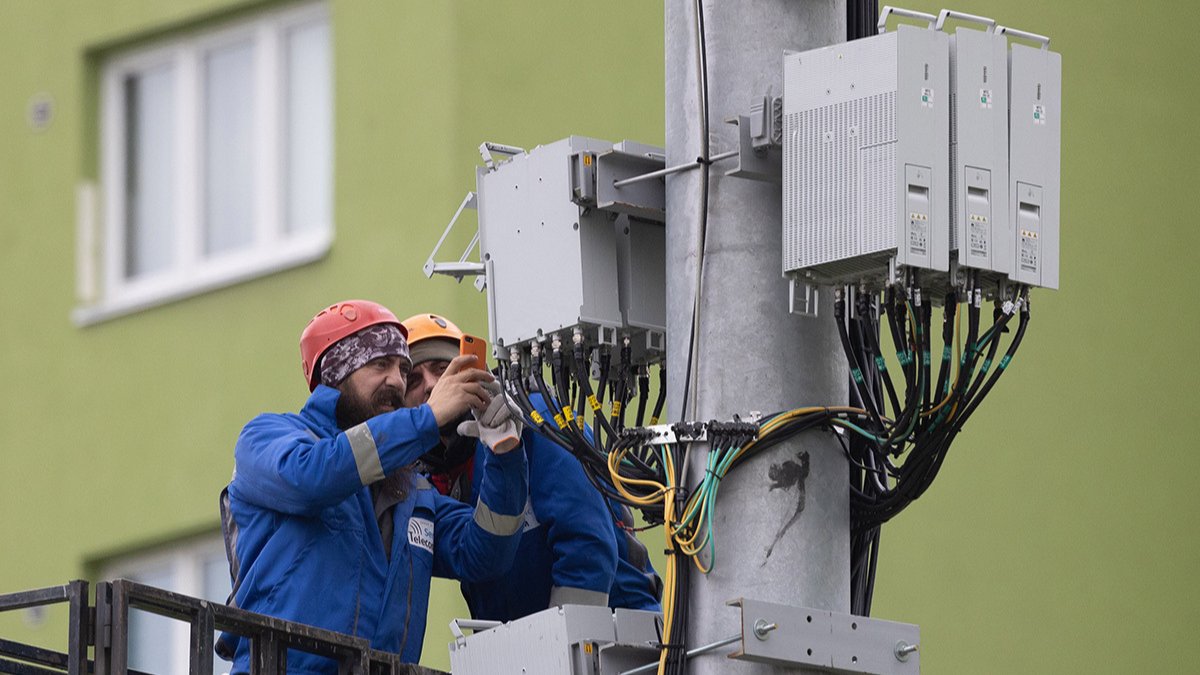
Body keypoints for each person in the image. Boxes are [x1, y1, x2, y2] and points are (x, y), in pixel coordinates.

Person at [218, 300, 529, 673]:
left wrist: (504, 453)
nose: (397, 382)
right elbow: (312, 478)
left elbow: (486, 554)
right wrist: (426, 418)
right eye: (380, 364)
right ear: (335, 373)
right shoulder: (268, 436)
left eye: (402, 369)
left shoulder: (414, 491)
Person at [401, 313, 661, 622]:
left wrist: (565, 643)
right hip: (528, 652)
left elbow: (587, 542)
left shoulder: (534, 420)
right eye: (413, 381)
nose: (430, 385)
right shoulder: (426, 483)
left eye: (441, 369)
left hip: (615, 635)